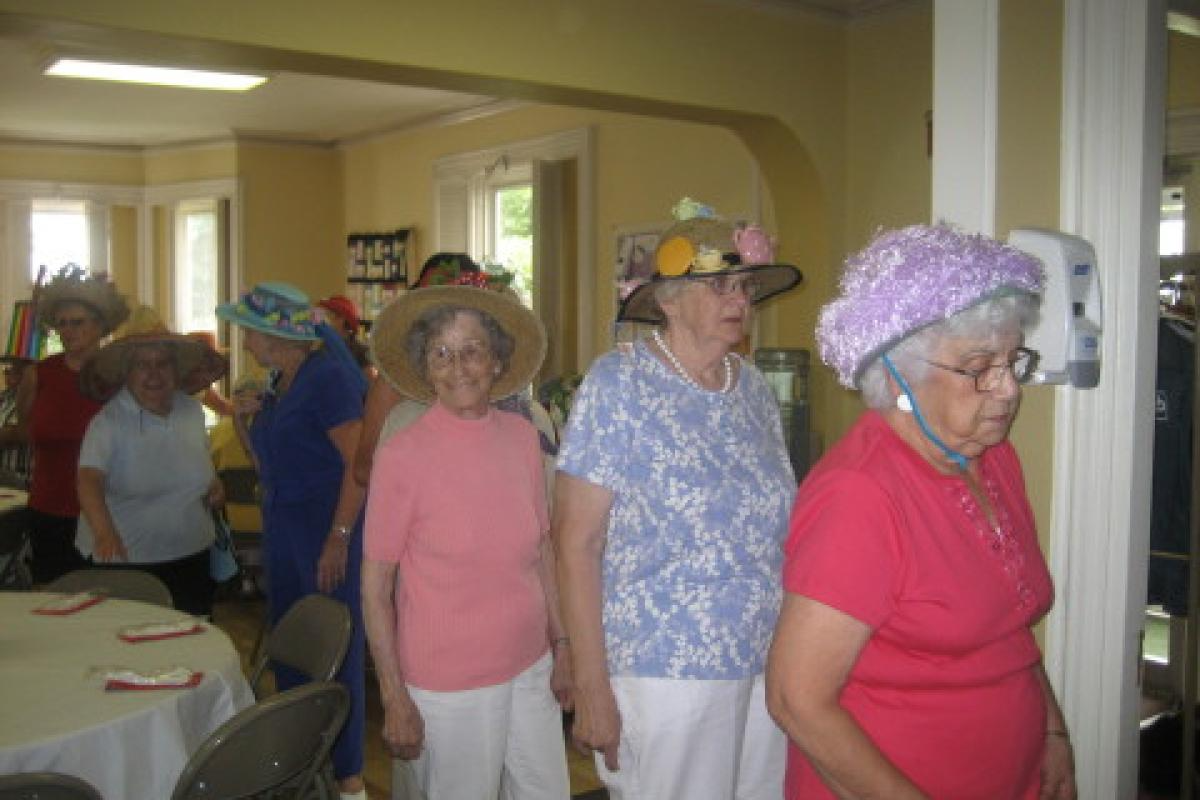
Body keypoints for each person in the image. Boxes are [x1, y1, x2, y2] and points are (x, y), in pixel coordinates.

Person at [766, 224, 1076, 800]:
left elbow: (1009, 630)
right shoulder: (859, 496)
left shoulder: (994, 460)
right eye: (980, 365)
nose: (1008, 390)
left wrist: (1051, 729)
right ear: (899, 373)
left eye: (1014, 360)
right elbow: (795, 699)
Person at [554, 199, 802, 799]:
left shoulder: (754, 393)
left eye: (743, 286)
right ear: (666, 299)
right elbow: (573, 544)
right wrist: (590, 685)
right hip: (664, 674)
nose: (739, 301)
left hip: (764, 662)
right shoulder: (620, 384)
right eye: (718, 285)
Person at [361, 284, 572, 799]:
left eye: (473, 349)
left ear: (497, 360)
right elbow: (375, 586)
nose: (459, 366)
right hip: (446, 682)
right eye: (442, 353)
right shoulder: (403, 454)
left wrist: (563, 644)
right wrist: (393, 695)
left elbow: (543, 549)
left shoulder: (524, 438)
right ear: (425, 368)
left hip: (530, 665)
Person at [215, 282, 368, 800]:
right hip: (286, 529)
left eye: (246, 330)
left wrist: (339, 538)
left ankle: (348, 779)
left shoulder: (327, 380)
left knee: (333, 652)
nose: (242, 340)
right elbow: (268, 466)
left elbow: (359, 468)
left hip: (325, 531)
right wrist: (244, 418)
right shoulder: (282, 381)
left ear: (271, 334)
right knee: (292, 646)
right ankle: (302, 766)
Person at [75, 323, 228, 616]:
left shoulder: (191, 411)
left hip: (191, 552)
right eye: (143, 365)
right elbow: (88, 480)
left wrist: (213, 482)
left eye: (163, 364)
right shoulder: (109, 422)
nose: (154, 373)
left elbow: (197, 460)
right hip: (127, 560)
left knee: (190, 640)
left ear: (176, 371)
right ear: (127, 373)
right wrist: (105, 532)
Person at [0, 267, 130, 583]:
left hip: (111, 512)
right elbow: (25, 430)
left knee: (110, 605)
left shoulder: (121, 375)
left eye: (78, 323)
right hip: (49, 511)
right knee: (54, 604)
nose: (68, 331)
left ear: (100, 326)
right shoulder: (38, 375)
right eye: (62, 324)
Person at [317, 294, 372, 375]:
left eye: (326, 316)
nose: (320, 321)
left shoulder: (361, 351)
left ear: (340, 319)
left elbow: (368, 382)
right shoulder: (322, 346)